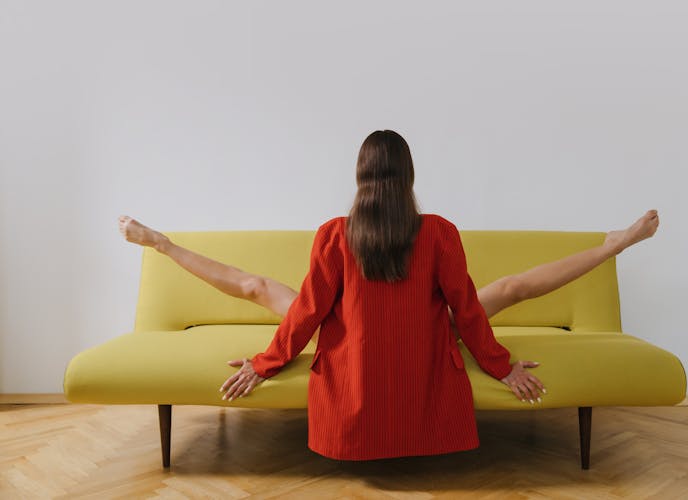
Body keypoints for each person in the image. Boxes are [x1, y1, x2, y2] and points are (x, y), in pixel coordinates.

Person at [119, 130, 659, 460]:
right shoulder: (439, 233)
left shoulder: (334, 233)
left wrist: (265, 362)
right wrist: (502, 365)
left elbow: (307, 315)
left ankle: (161, 244)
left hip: (345, 337)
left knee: (258, 288)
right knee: (511, 289)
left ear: (360, 177)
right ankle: (610, 246)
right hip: (429, 333)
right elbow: (467, 313)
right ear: (409, 177)